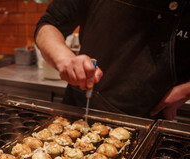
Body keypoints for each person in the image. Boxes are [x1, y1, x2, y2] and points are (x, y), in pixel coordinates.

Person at [35, 0, 190, 120]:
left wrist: (186, 90)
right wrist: (65, 59)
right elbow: (50, 23)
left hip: (151, 116)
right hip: (81, 108)